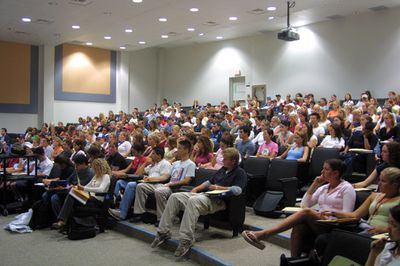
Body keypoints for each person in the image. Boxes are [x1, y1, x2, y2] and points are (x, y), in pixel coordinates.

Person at [241, 159, 356, 256]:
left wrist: (331, 213)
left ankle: (264, 234)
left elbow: (348, 215)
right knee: (298, 227)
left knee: (306, 212)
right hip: (321, 222)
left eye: (325, 169)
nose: (322, 172)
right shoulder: (324, 188)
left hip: (335, 225)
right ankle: (294, 261)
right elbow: (304, 205)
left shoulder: (346, 188)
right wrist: (315, 184)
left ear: (335, 173)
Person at [151, 148, 247, 257]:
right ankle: (163, 232)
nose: (222, 160)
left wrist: (217, 187)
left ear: (233, 161)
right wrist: (196, 189)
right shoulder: (223, 169)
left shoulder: (240, 173)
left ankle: (186, 240)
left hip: (219, 201)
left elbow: (238, 190)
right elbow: (208, 183)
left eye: (225, 159)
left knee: (193, 200)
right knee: (175, 197)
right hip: (207, 196)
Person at [323, 167, 400, 237]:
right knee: (326, 237)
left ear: (394, 185)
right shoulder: (374, 196)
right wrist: (333, 213)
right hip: (366, 228)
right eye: (379, 180)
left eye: (383, 181)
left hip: (383, 234)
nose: (379, 184)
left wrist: (382, 230)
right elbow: (355, 215)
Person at [132, 139, 195, 223]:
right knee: (141, 186)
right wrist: (153, 173)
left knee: (159, 191)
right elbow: (167, 175)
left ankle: (162, 219)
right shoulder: (176, 163)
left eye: (179, 148)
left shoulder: (190, 164)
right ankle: (139, 213)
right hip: (167, 185)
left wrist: (172, 184)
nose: (177, 151)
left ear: (186, 150)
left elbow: (187, 180)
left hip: (176, 187)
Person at [108, 147, 171, 220]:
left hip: (158, 184)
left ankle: (123, 213)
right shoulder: (153, 164)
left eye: (153, 154)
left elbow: (164, 177)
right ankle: (117, 206)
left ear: (159, 155)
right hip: (148, 183)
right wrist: (145, 163)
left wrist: (151, 179)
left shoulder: (165, 163)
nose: (150, 156)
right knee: (126, 183)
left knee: (134, 185)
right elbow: (138, 173)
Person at [52, 158, 111, 229]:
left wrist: (83, 188)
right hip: (89, 198)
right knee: (71, 195)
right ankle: (65, 223)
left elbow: (101, 190)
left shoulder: (106, 177)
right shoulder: (96, 176)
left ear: (100, 167)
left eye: (95, 168)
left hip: (97, 201)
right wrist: (77, 187)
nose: (94, 170)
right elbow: (86, 186)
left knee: (71, 197)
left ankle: (63, 221)